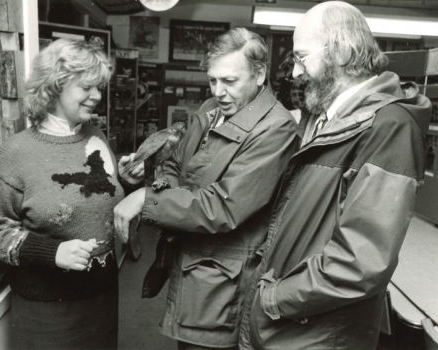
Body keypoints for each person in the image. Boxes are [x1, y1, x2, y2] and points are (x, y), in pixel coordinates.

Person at [238, 2, 432, 349]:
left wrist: (273, 298)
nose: (295, 73)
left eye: (301, 57)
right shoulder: (324, 117)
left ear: (340, 51)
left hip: (319, 334)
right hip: (288, 326)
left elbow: (361, 263)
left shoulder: (388, 128)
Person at [114, 27, 298, 349]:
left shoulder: (276, 127)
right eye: (213, 80)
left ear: (259, 75)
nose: (219, 91)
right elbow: (174, 166)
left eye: (230, 81)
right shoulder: (210, 110)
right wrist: (150, 181)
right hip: (192, 268)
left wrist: (147, 199)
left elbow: (223, 206)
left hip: (223, 284)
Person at [0, 39, 122, 350]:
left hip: (103, 299)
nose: (97, 96)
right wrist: (50, 252)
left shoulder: (96, 136)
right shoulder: (17, 152)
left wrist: (130, 185)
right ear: (55, 86)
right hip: (48, 312)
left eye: (99, 87)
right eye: (87, 87)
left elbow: (100, 202)